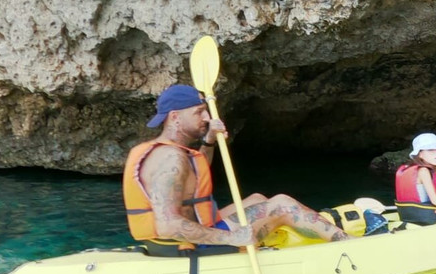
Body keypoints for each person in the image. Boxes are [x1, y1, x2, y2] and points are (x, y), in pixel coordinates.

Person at [123, 84, 349, 253]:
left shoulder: (171, 152)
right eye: (199, 112)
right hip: (184, 245)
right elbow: (168, 225)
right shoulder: (170, 160)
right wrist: (231, 238)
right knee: (281, 205)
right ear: (175, 118)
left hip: (184, 234)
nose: (207, 117)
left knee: (258, 198)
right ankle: (349, 245)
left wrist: (209, 140)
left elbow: (193, 178)